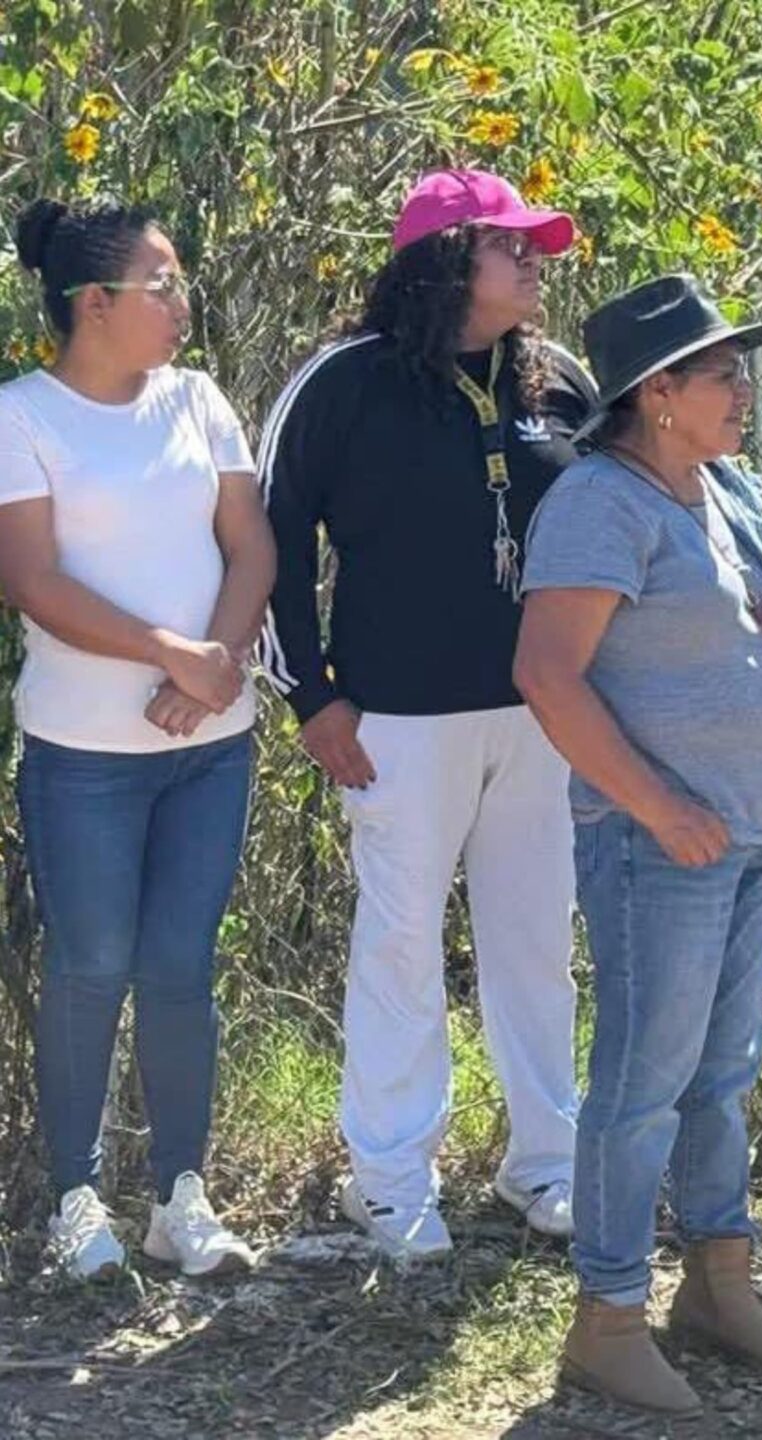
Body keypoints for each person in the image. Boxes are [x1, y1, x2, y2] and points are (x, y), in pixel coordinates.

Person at [518, 274, 762, 1416]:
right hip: (656, 846)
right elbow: (547, 676)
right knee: (643, 1087)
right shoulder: (597, 505)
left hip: (744, 837)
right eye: (723, 373)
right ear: (657, 392)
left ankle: (719, 1287)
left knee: (720, 1078)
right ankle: (607, 1318)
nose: (744, 390)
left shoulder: (719, 492)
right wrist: (660, 807)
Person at [260, 169, 595, 1258]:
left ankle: (546, 1164)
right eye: (512, 245)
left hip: (542, 716)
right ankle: (391, 1181)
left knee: (536, 944)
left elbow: (613, 523)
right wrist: (311, 696)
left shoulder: (558, 379)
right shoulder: (343, 382)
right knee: (400, 946)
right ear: (446, 260)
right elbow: (269, 538)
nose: (535, 261)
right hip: (395, 722)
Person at [0, 197, 271, 1278]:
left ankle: (179, 1198)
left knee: (177, 968)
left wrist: (215, 665)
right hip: (83, 758)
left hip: (212, 747)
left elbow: (253, 545)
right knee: (90, 966)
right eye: (162, 284)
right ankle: (76, 1201)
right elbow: (33, 581)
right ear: (94, 302)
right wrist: (173, 653)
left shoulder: (199, 399)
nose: (181, 300)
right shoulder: (22, 417)